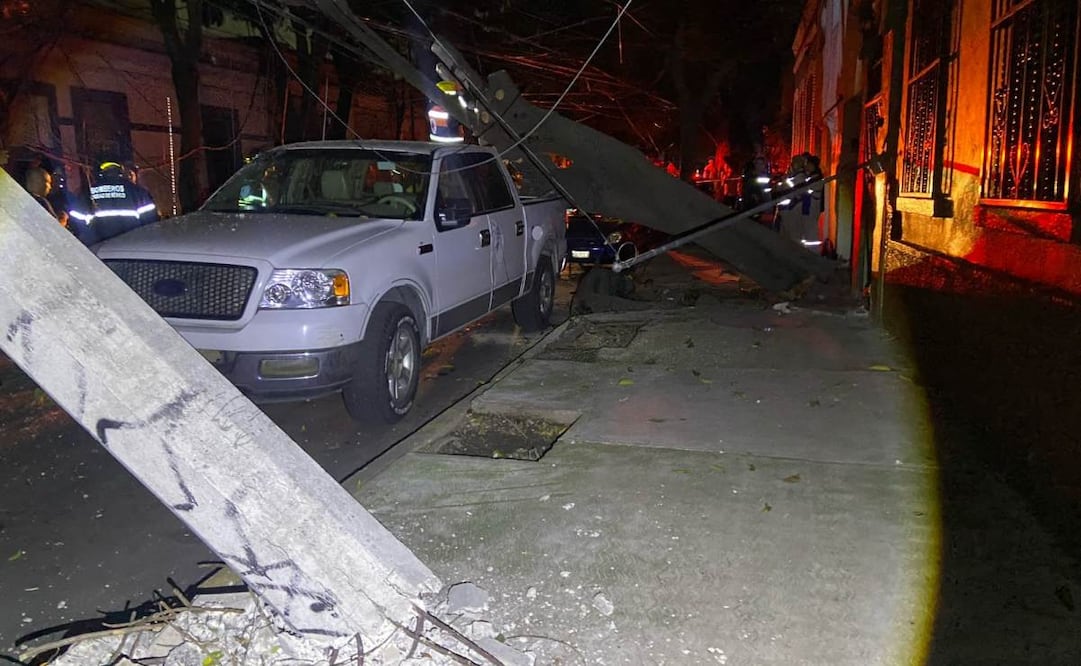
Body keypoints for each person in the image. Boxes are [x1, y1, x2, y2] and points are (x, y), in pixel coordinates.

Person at [71, 160, 159, 244]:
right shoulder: (137, 191)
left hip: (99, 248)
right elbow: (150, 222)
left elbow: (77, 222)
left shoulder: (87, 192)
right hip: (132, 246)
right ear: (120, 171)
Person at [24, 166, 76, 236]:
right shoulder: (41, 202)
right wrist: (63, 219)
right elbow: (53, 228)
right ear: (39, 182)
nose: (50, 187)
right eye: (48, 183)